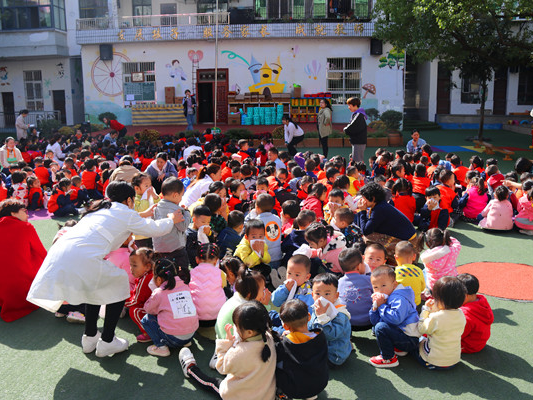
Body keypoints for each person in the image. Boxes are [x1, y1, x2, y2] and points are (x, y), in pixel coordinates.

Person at [27, 181, 184, 357]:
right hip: (84, 257)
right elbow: (154, 228)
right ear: (129, 200)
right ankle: (108, 340)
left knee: (96, 289)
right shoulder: (125, 212)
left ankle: (90, 337)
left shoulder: (99, 208)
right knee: (119, 283)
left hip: (61, 253)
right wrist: (170, 219)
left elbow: (122, 220)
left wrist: (144, 214)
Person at [179, 301, 276, 400]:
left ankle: (190, 369)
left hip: (241, 396)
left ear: (249, 332)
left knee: (212, 383)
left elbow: (221, 366)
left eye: (237, 326)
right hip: (266, 395)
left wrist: (227, 343)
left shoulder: (239, 353)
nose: (235, 328)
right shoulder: (269, 337)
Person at [0, 199, 47, 322]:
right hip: (20, 285)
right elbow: (43, 253)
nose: (27, 214)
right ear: (13, 213)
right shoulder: (26, 227)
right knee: (37, 256)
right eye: (24, 211)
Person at [142, 258, 199, 357]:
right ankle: (185, 342)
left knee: (146, 319)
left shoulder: (159, 292)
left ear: (158, 279)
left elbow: (148, 309)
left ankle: (162, 347)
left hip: (173, 339)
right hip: (191, 334)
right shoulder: (185, 285)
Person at [275, 299, 329, 399]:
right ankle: (311, 395)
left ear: (285, 326)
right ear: (309, 316)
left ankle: (281, 394)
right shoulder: (320, 335)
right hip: (320, 383)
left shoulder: (283, 344)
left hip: (295, 390)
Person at [369, 266, 420, 368]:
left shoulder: (398, 298)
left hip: (410, 340)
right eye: (375, 287)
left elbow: (396, 319)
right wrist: (375, 308)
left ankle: (388, 358)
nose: (380, 290)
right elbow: (374, 321)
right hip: (403, 334)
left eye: (383, 285)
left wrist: (381, 306)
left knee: (380, 328)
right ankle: (399, 348)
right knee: (377, 327)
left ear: (394, 284)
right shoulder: (386, 296)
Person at [356, 182, 419, 258]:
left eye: (364, 197)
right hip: (408, 236)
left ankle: (395, 258)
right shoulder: (380, 205)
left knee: (368, 239)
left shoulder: (380, 209)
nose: (362, 200)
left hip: (408, 242)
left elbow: (366, 231)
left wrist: (362, 211)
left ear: (373, 198)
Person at [417, 276, 467, 370]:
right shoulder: (461, 314)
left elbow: (421, 328)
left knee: (417, 342)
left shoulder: (436, 317)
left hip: (434, 361)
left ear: (440, 300)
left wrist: (426, 310)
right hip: (454, 360)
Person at [308, 273, 352, 367]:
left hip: (334, 356)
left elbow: (331, 335)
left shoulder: (340, 314)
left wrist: (322, 317)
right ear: (312, 294)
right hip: (322, 347)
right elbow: (311, 327)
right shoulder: (318, 307)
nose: (322, 298)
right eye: (318, 293)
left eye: (327, 294)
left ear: (336, 296)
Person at [152, 177, 190, 269]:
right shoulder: (177, 210)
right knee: (180, 275)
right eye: (181, 196)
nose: (181, 199)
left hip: (159, 250)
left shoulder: (156, 208)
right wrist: (187, 212)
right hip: (175, 250)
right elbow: (183, 226)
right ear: (175, 195)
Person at [270, 255, 314, 331]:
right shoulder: (286, 286)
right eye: (289, 273)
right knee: (270, 314)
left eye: (297, 275)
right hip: (284, 316)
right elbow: (275, 301)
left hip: (296, 324)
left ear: (307, 277)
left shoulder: (307, 293)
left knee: (276, 330)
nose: (292, 277)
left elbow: (308, 316)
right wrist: (285, 290)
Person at [190, 243, 226, 327]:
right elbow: (223, 286)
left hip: (196, 318)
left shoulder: (191, 273)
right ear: (216, 260)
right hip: (217, 316)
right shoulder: (221, 273)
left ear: (197, 259)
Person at [457, 273, 494, 354]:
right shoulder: (481, 300)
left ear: (465, 296)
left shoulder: (466, 315)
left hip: (468, 345)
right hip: (479, 342)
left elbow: (457, 335)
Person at [338, 248, 373, 330]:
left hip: (348, 323)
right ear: (359, 266)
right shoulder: (368, 279)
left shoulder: (339, 282)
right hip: (369, 321)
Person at [125, 247, 155, 343]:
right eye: (130, 265)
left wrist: (121, 301)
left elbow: (136, 300)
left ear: (147, 266)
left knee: (134, 311)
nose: (131, 269)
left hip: (157, 312)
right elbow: (136, 293)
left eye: (134, 265)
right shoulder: (149, 274)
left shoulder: (146, 279)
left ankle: (149, 333)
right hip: (161, 309)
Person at [394, 241, 425, 307]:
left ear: (396, 257)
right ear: (414, 256)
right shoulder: (419, 270)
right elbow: (422, 288)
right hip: (416, 302)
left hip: (401, 304)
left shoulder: (395, 272)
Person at [343, 97, 367, 163]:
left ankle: (358, 173)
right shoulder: (358, 114)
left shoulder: (358, 115)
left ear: (355, 105)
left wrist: (345, 129)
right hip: (358, 141)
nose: (348, 107)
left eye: (349, 105)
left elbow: (352, 126)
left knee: (357, 161)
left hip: (358, 141)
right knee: (358, 160)